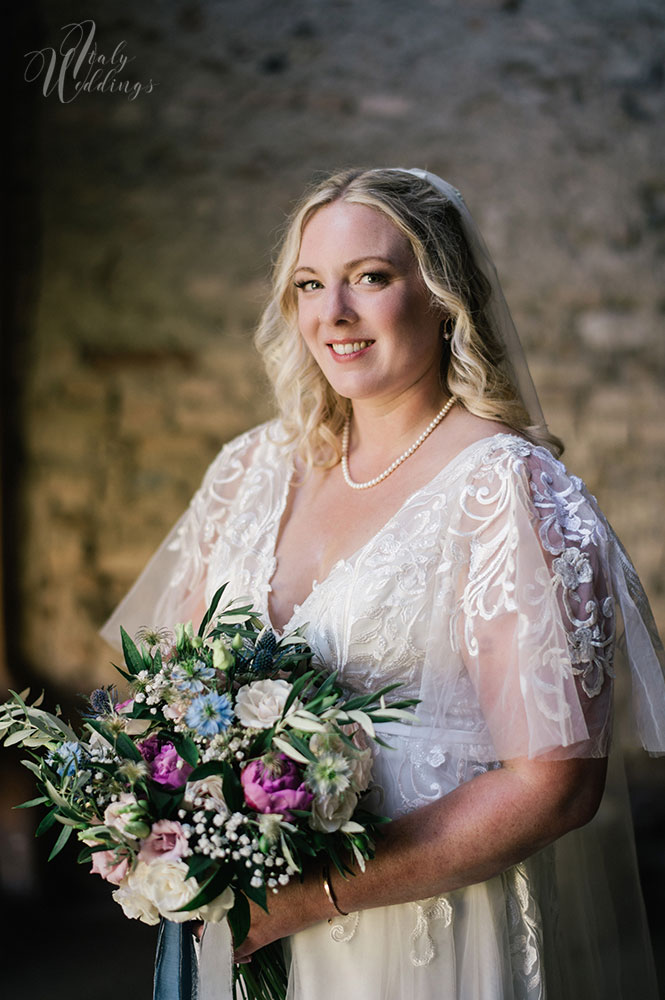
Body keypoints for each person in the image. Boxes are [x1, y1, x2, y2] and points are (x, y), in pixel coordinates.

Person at [102, 168, 665, 1000]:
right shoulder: (251, 468)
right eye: (308, 285)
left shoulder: (507, 492)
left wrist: (310, 899)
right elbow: (169, 696)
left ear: (443, 295)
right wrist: (134, 816)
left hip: (417, 942)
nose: (332, 315)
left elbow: (555, 786)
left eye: (369, 278)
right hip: (237, 930)